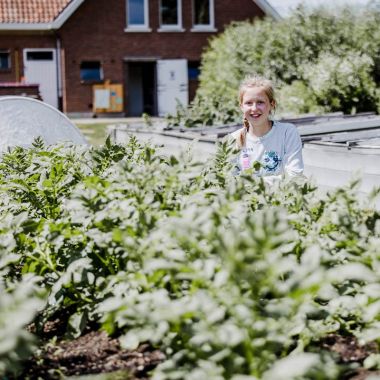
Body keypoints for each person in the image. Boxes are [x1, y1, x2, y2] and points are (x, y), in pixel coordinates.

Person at [231, 75, 304, 180]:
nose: (254, 108)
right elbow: (230, 181)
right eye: (248, 103)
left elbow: (294, 175)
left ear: (272, 104)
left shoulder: (287, 132)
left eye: (260, 102)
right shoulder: (233, 139)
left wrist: (252, 184)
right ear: (241, 106)